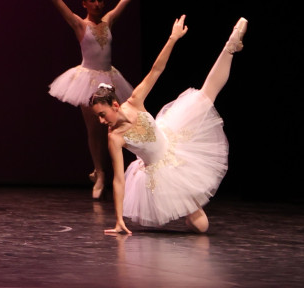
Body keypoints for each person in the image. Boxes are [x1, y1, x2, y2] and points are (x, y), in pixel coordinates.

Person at [92, 14, 246, 235]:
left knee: (205, 96)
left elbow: (156, 69)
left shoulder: (135, 101)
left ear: (115, 105)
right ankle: (188, 213)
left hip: (173, 140)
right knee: (201, 226)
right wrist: (118, 220)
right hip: (161, 172)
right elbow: (118, 180)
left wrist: (173, 39)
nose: (101, 121)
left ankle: (230, 47)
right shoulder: (114, 137)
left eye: (102, 114)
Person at [17, 0, 153, 197]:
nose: (98, 4)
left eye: (100, 0)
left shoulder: (108, 21)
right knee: (94, 129)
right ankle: (99, 173)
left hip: (110, 78)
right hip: (87, 81)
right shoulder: (79, 24)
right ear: (84, 4)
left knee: (117, 125)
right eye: (93, 1)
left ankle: (115, 172)